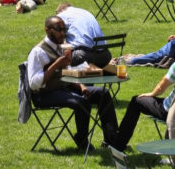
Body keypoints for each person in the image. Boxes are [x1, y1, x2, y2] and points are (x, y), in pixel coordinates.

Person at [25, 16, 118, 151]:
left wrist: (81, 86)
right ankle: (82, 140)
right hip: (43, 94)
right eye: (59, 29)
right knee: (81, 102)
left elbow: (66, 73)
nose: (63, 33)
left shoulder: (61, 48)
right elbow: (34, 84)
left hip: (62, 89)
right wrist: (56, 64)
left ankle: (112, 140)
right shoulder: (38, 52)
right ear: (47, 29)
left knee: (102, 93)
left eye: (65, 29)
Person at [57, 3, 111, 69]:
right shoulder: (85, 12)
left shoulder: (62, 15)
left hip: (82, 56)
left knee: (57, 60)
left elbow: (56, 38)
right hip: (105, 56)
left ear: (60, 10)